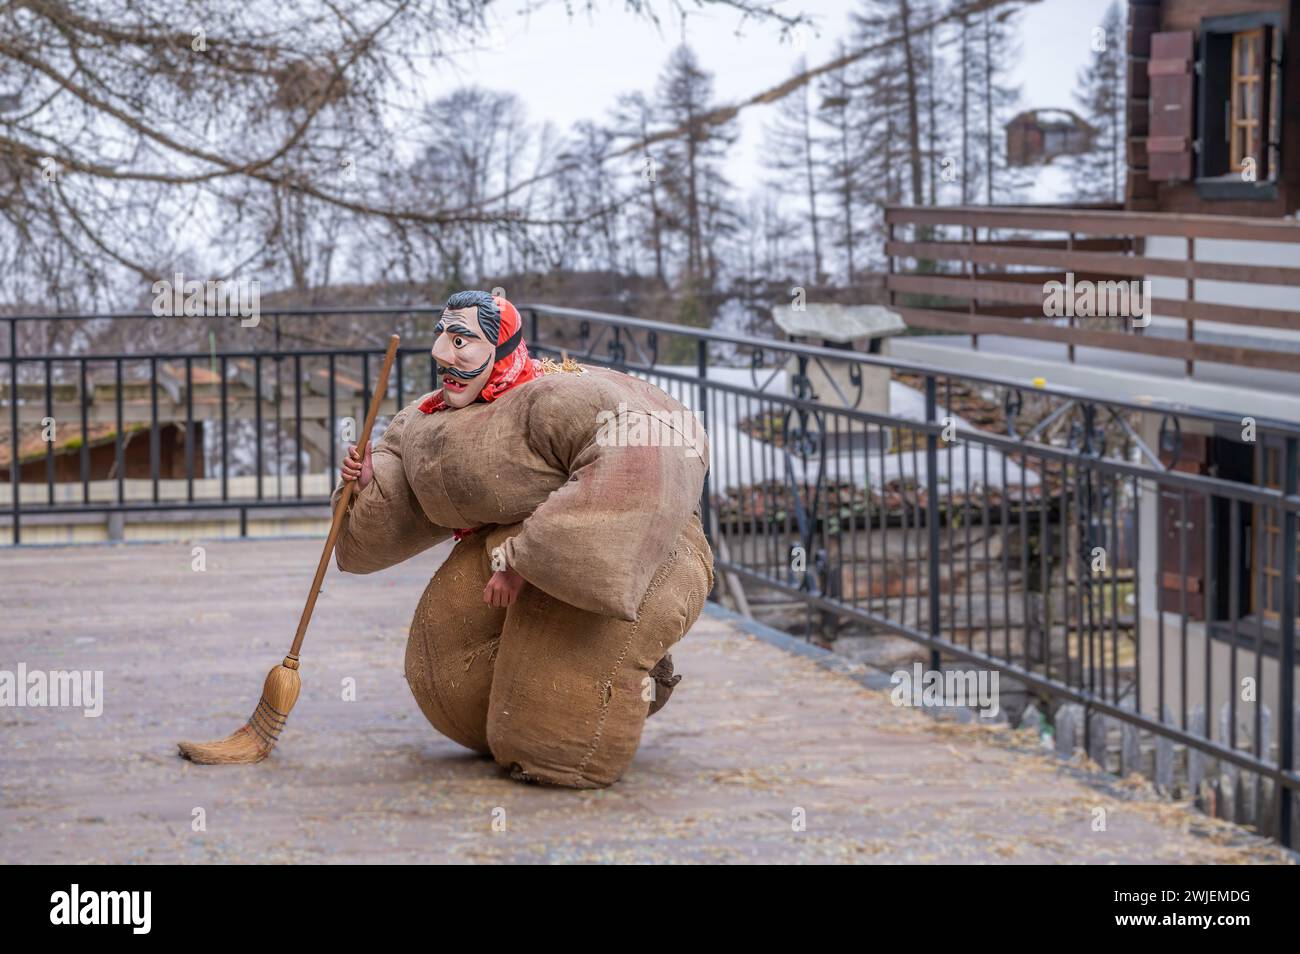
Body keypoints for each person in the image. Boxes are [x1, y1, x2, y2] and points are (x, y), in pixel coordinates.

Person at [335, 290, 714, 788]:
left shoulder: (561, 400)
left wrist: (522, 561)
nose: (441, 354)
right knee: (448, 679)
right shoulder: (425, 417)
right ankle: (521, 714)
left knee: (549, 732)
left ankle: (603, 706)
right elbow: (401, 474)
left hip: (632, 546)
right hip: (505, 545)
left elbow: (643, 453)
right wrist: (367, 484)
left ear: (501, 347)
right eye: (440, 337)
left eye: (461, 340)